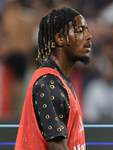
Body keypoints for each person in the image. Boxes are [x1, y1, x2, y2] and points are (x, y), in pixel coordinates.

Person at [15, 7, 92, 150]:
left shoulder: (59, 81)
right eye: (80, 31)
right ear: (60, 39)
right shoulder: (48, 85)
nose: (88, 36)